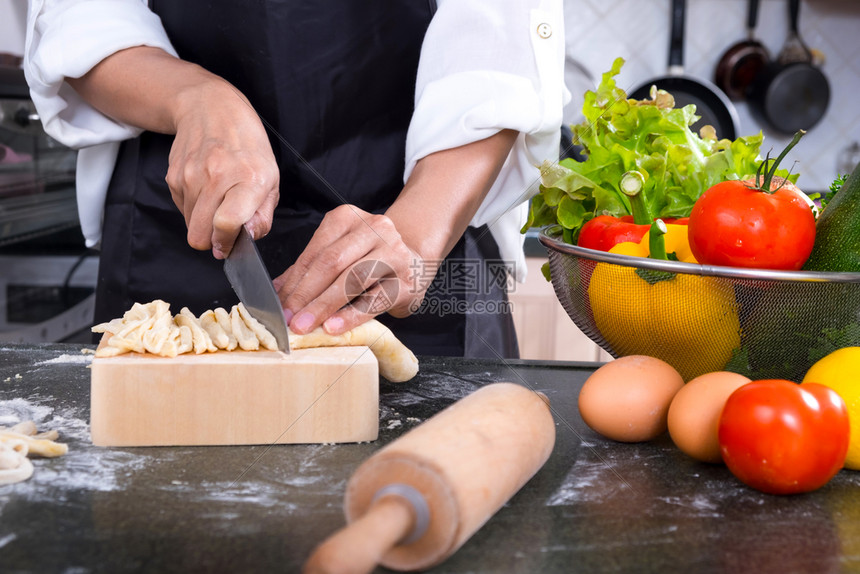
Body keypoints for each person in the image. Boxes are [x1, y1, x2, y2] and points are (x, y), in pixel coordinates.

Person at [24, 0, 566, 358]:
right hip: (175, 228)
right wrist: (194, 98)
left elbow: (500, 51)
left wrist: (417, 234)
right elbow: (81, 21)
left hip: (421, 222)